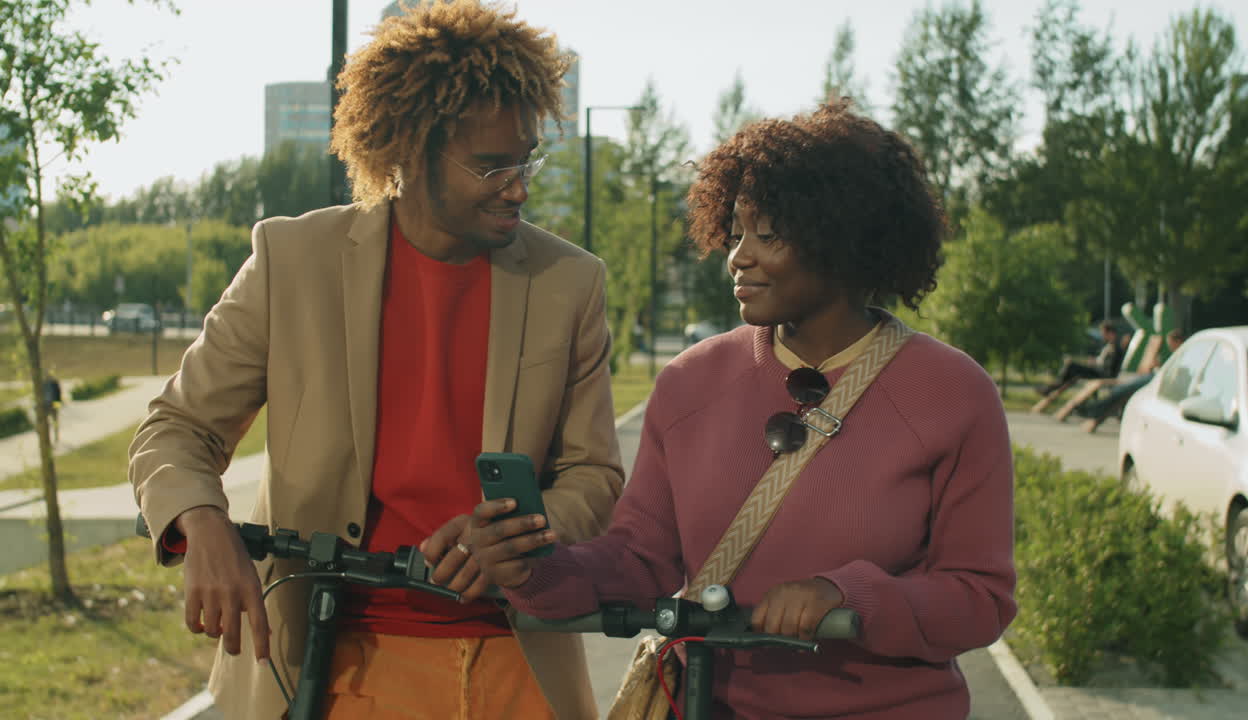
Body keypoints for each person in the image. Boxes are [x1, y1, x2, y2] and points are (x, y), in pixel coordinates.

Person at [128, 2, 623, 719]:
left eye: (526, 160)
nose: (519, 186)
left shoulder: (569, 282)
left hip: (517, 662)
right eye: (492, 167)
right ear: (411, 153)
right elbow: (177, 427)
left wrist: (519, 536)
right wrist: (200, 520)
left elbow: (596, 476)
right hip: (324, 661)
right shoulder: (292, 261)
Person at [469, 100, 1017, 719]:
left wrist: (849, 596)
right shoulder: (689, 383)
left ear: (845, 236)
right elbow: (638, 559)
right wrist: (534, 570)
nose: (738, 257)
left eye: (769, 235)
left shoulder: (954, 393)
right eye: (734, 234)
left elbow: (980, 599)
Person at [1077, 328, 1185, 432]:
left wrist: (1158, 367)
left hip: (1156, 380)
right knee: (1122, 392)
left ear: (1178, 341)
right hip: (1155, 377)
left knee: (1124, 391)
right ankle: (1094, 410)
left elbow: (1176, 373)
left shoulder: (1183, 354)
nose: (1169, 346)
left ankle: (1093, 409)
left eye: (1171, 343)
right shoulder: (1179, 353)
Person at [1036, 320, 1124, 396]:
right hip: (1100, 372)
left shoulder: (1115, 348)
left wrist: (1095, 363)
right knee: (1072, 371)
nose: (1102, 335)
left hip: (1103, 375)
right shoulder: (1111, 346)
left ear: (1111, 333)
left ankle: (1051, 388)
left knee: (1071, 366)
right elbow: (1104, 362)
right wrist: (1095, 361)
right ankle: (1051, 388)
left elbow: (1108, 367)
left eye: (1104, 333)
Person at [41, 372, 62, 444]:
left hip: (54, 405)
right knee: (46, 422)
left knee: (55, 421)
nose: (46, 377)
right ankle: (47, 438)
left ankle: (56, 436)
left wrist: (57, 405)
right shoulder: (42, 384)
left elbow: (58, 394)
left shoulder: (54, 383)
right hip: (46, 405)